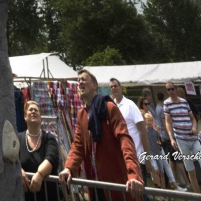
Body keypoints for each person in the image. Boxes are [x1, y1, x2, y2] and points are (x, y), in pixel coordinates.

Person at [59, 69, 144, 201]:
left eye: (84, 79)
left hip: (115, 183)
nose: (80, 82)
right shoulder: (82, 114)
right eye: (78, 80)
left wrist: (133, 174)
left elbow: (125, 140)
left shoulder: (109, 108)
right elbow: (78, 146)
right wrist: (69, 168)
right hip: (95, 185)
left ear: (94, 85)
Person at [164, 80, 201, 194]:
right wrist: (172, 138)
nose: (171, 91)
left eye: (172, 88)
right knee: (191, 170)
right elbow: (167, 122)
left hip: (193, 138)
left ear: (176, 89)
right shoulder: (167, 103)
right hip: (181, 140)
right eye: (168, 89)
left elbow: (192, 118)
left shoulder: (184, 102)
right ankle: (198, 196)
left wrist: (194, 127)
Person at [109, 79, 151, 183]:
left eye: (115, 86)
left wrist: (147, 157)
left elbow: (142, 130)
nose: (113, 88)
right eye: (111, 87)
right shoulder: (112, 106)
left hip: (136, 158)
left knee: (140, 193)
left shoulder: (130, 105)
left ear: (120, 87)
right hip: (122, 159)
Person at [18, 100, 60, 199]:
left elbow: (52, 158)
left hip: (47, 195)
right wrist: (18, 170)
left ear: (40, 117)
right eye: (30, 110)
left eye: (36, 110)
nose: (33, 112)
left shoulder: (49, 138)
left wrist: (40, 174)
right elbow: (13, 159)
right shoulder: (18, 138)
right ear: (25, 117)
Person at [143, 111, 177, 190]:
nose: (150, 122)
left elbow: (159, 140)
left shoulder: (155, 132)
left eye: (151, 120)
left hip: (158, 152)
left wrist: (159, 143)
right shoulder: (144, 132)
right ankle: (157, 186)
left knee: (162, 171)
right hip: (151, 153)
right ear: (145, 121)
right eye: (148, 120)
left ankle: (163, 188)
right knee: (156, 169)